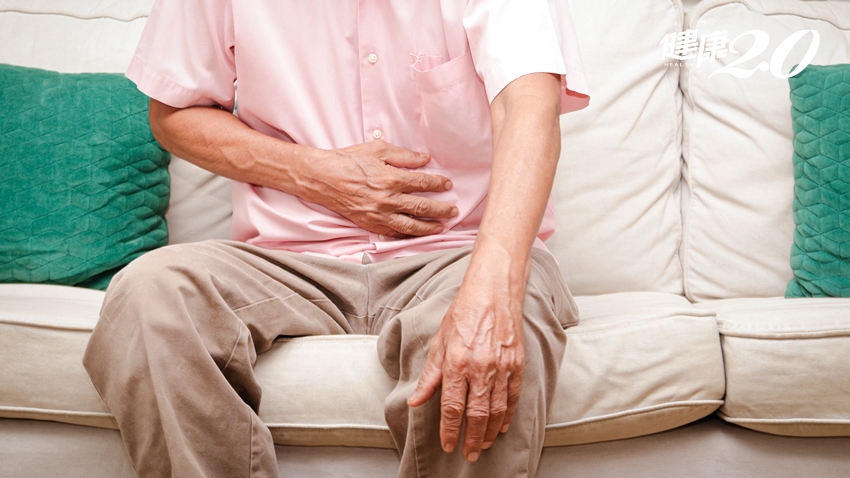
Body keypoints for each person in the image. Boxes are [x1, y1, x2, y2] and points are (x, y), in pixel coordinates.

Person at [83, 1, 590, 476]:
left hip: (460, 253)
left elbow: (530, 105)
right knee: (149, 292)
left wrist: (490, 290)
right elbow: (174, 114)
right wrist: (314, 173)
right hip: (286, 261)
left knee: (507, 311)